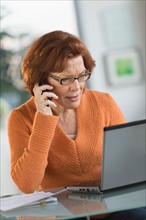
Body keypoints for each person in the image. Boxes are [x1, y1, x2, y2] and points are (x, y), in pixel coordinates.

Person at [7, 30, 145, 219]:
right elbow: (27, 184)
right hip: (62, 213)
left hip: (113, 209)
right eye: (66, 79)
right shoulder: (21, 118)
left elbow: (127, 167)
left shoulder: (104, 103)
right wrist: (44, 119)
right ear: (41, 81)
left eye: (81, 75)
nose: (76, 86)